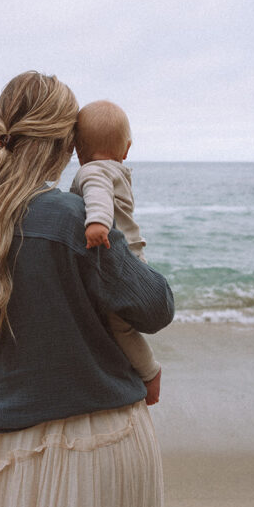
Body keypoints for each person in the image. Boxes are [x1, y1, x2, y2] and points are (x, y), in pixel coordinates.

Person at [0, 71, 174, 507]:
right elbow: (155, 307)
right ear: (67, 146)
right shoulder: (68, 218)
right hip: (92, 444)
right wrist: (123, 232)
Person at [69, 100, 162, 406]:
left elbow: (97, 194)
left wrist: (97, 222)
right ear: (127, 149)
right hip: (136, 259)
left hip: (118, 261)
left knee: (120, 325)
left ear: (77, 151)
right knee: (122, 323)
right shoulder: (119, 171)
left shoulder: (92, 171)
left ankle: (150, 374)